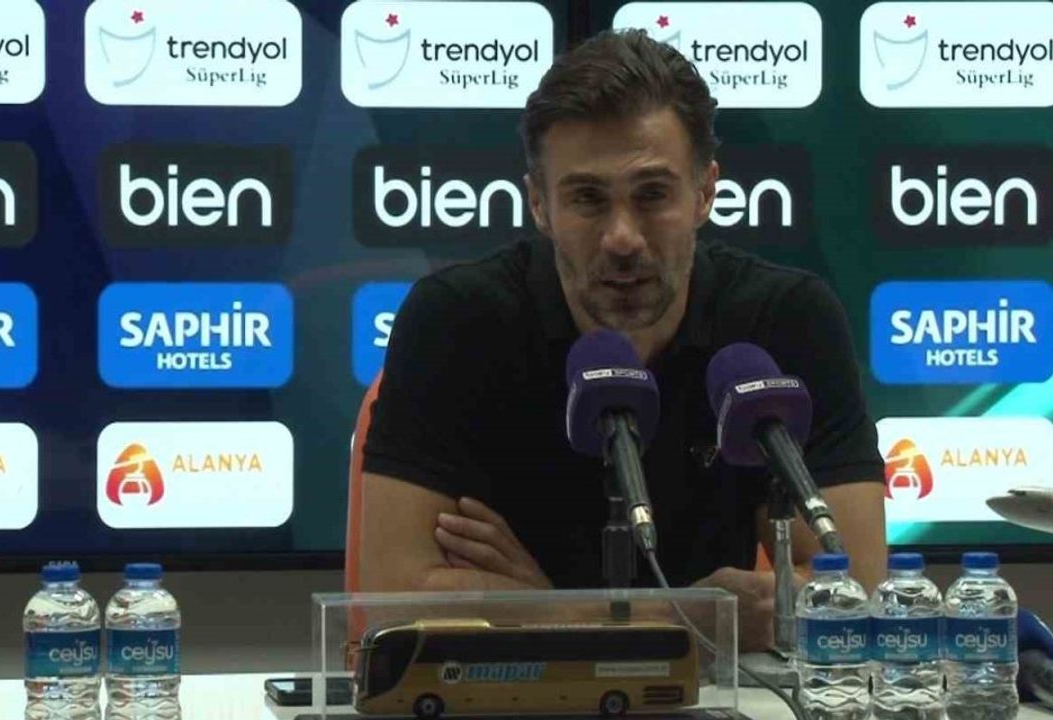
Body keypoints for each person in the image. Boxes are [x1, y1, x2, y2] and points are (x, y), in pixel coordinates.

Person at [357, 29, 887, 652]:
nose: (622, 238)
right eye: (587, 199)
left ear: (705, 193)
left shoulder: (785, 319)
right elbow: (392, 598)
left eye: (652, 195)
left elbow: (853, 590)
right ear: (539, 205)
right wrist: (686, 619)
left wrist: (539, 608)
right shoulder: (456, 321)